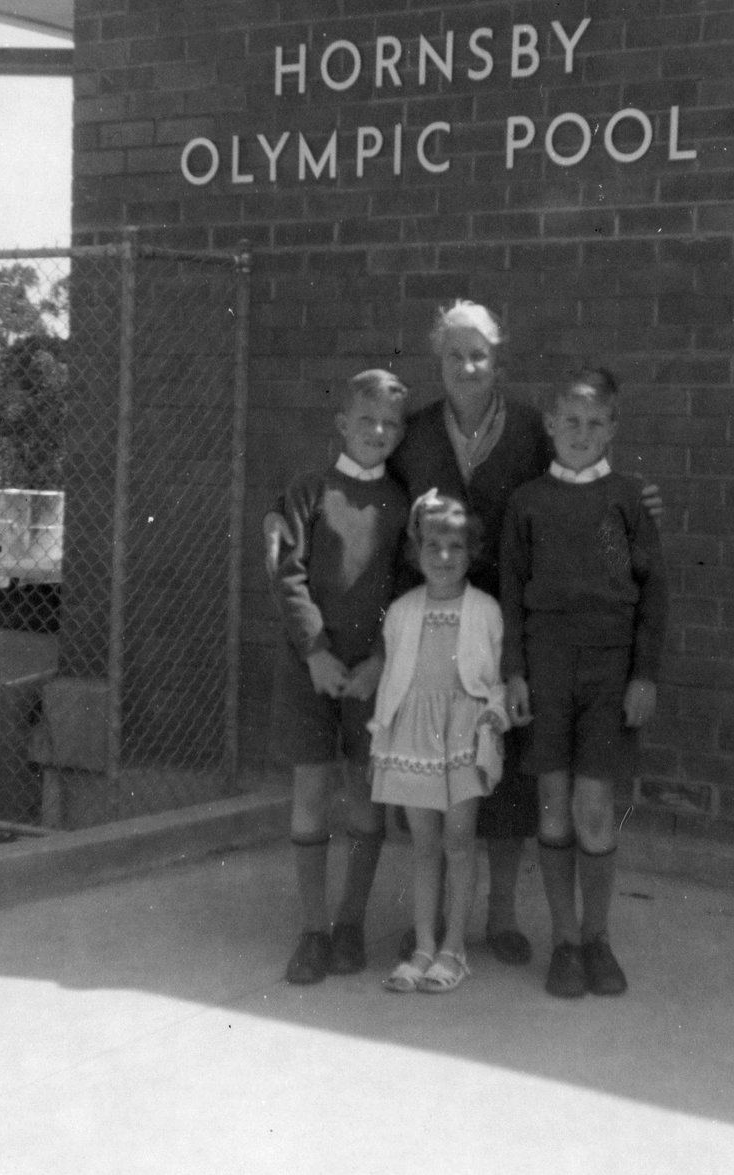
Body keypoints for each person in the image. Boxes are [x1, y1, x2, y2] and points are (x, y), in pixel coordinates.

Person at [266, 299, 663, 963]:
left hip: (502, 619)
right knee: (431, 766)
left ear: (497, 359)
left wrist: (638, 501)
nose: (467, 365)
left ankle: (500, 915)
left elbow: (576, 479)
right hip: (424, 616)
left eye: (479, 353)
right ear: (439, 362)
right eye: (454, 354)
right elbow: (366, 497)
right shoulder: (415, 433)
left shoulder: (533, 429)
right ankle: (430, 920)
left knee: (497, 771)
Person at [499, 368, 668, 998]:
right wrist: (515, 670)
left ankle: (598, 939)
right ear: (549, 426)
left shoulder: (627, 498)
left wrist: (643, 676)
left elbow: (654, 594)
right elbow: (512, 594)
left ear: (613, 429)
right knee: (552, 805)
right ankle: (565, 944)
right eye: (570, 421)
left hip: (608, 669)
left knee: (594, 807)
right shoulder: (527, 502)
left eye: (596, 423)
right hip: (546, 667)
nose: (581, 433)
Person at [267, 368, 410, 985]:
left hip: (372, 676)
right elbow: (284, 573)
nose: (378, 432)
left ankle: (352, 922)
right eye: (366, 420)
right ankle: (313, 930)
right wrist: (316, 650)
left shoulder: (401, 504)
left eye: (390, 424)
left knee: (368, 795)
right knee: (311, 792)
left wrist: (381, 659)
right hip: (311, 671)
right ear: (342, 424)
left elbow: (407, 588)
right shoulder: (307, 492)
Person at [369, 491, 509, 993]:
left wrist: (493, 719)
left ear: (471, 552)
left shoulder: (485, 610)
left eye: (455, 546)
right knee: (424, 844)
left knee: (459, 841)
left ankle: (455, 947)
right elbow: (393, 680)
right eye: (433, 545)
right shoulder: (404, 611)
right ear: (416, 550)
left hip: (464, 734)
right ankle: (424, 944)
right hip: (415, 736)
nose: (444, 557)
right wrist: (382, 735)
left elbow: (493, 679)